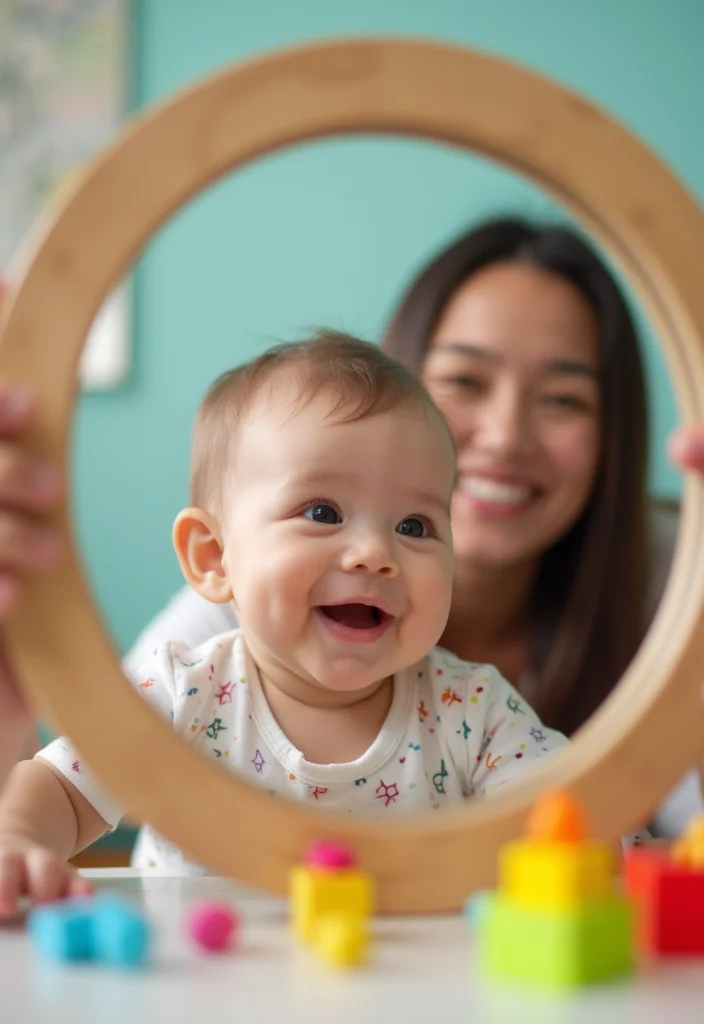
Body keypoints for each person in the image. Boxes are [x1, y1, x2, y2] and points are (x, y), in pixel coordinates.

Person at [0, 333, 566, 912]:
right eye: (323, 513)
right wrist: (19, 843)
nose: (374, 552)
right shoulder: (183, 692)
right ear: (213, 557)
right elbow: (63, 793)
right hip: (196, 986)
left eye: (416, 526)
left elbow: (567, 816)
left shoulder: (473, 712)